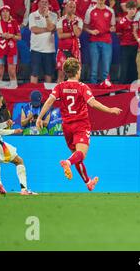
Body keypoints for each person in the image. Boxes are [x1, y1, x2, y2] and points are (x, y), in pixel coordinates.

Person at [36, 58, 122, 191]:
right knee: (80, 154)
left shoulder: (60, 86)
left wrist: (39, 117)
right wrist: (110, 110)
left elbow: (49, 101)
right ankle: (67, 162)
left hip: (67, 127)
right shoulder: (82, 87)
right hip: (81, 124)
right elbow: (92, 103)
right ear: (77, 72)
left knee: (77, 155)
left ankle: (88, 182)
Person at [84, 0, 115, 84]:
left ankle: (106, 87)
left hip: (106, 41)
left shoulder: (110, 11)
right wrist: (91, 31)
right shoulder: (90, 11)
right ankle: (93, 89)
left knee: (106, 68)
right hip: (94, 41)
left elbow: (113, 26)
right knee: (94, 68)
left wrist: (113, 29)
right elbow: (84, 26)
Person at [28, 0, 58, 84]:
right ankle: (32, 93)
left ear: (49, 5)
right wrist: (47, 29)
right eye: (42, 2)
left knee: (49, 73)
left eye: (46, 2)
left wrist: (47, 17)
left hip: (49, 49)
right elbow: (34, 30)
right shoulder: (33, 15)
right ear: (38, 4)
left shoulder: (53, 15)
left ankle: (48, 94)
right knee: (34, 73)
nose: (44, 4)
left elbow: (52, 29)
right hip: (36, 49)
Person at [0, 5, 21, 83]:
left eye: (7, 11)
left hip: (12, 48)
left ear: (9, 13)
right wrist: (0, 35)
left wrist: (11, 36)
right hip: (0, 48)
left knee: (12, 72)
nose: (5, 13)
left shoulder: (14, 22)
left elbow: (19, 37)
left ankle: (14, 90)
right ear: (0, 13)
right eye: (3, 11)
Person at [56, 0, 83, 83]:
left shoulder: (79, 20)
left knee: (75, 74)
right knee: (61, 74)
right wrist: (72, 33)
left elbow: (78, 34)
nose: (72, 9)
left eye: (74, 7)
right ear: (66, 7)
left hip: (74, 50)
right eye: (70, 7)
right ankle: (59, 94)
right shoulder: (60, 20)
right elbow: (60, 35)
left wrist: (74, 24)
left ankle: (75, 93)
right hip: (63, 50)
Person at [117, 0, 138, 84]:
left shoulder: (138, 20)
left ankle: (134, 86)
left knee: (134, 67)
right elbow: (118, 33)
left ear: (136, 9)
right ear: (127, 9)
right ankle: (121, 87)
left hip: (136, 46)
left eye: (133, 8)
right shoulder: (122, 21)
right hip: (125, 46)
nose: (132, 11)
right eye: (130, 9)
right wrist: (125, 41)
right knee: (124, 67)